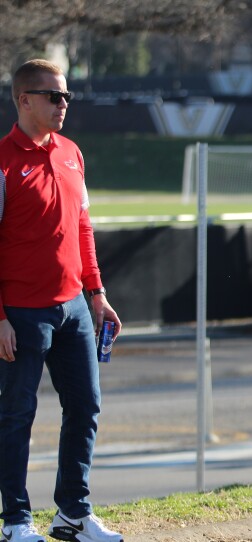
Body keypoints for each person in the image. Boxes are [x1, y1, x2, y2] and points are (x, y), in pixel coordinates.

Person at [0, 59, 123, 542]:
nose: (63, 104)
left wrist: (97, 294)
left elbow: (82, 228)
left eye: (67, 96)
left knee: (87, 406)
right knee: (16, 416)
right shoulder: (4, 161)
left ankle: (73, 513)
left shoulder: (72, 152)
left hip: (73, 306)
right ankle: (15, 521)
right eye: (53, 96)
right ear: (23, 99)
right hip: (22, 313)